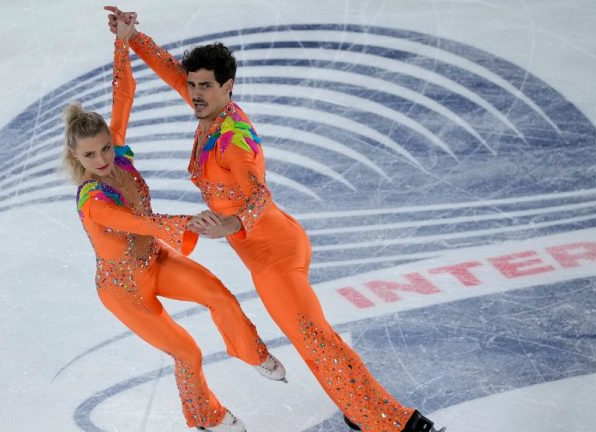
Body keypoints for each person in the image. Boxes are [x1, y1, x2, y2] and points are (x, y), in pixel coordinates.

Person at [105, 7, 446, 432]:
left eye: (204, 86)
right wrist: (132, 36)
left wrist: (232, 225)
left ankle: (398, 423)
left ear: (227, 86)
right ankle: (359, 407)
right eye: (191, 84)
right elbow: (172, 70)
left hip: (276, 255)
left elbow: (259, 194)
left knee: (315, 339)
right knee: (313, 338)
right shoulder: (210, 110)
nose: (193, 92)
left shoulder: (233, 142)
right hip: (269, 245)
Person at [64, 13, 286, 432]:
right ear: (77, 158)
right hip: (125, 291)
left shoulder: (119, 156)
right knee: (188, 354)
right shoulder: (92, 201)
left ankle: (252, 352)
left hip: (156, 263)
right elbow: (138, 224)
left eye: (105, 148)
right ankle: (208, 418)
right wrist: (186, 221)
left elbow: (124, 94)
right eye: (90, 155)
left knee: (219, 295)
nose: (102, 159)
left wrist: (123, 42)